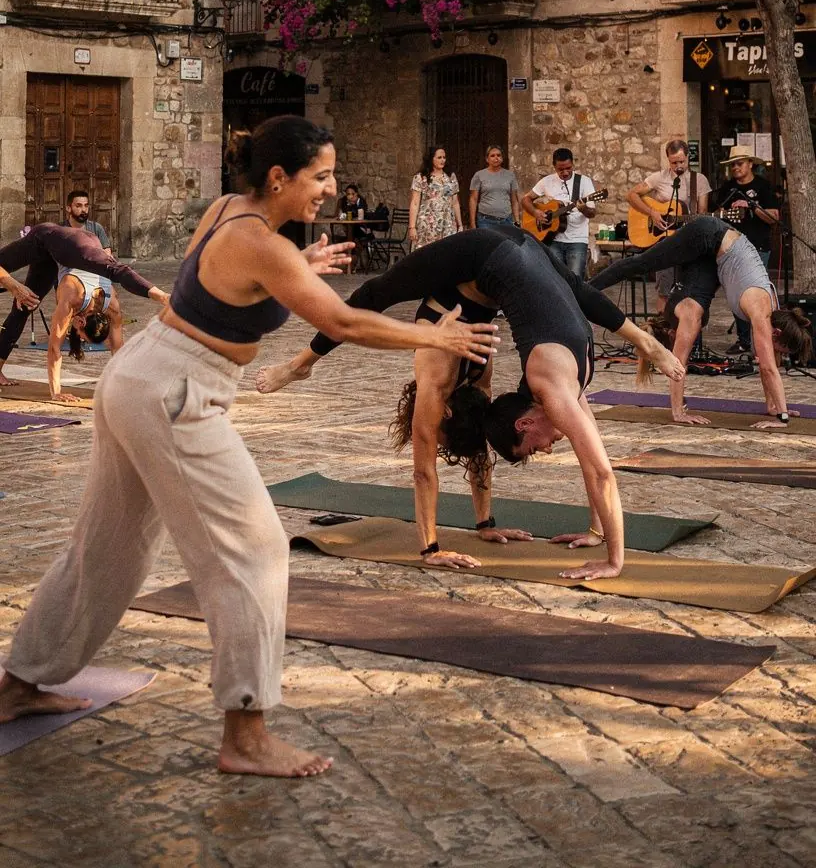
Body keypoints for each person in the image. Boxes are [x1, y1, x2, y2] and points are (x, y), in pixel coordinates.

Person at [0, 117, 499, 779]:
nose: (328, 187)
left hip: (144, 377)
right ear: (278, 178)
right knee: (254, 549)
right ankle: (246, 732)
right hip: (177, 394)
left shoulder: (233, 212)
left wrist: (300, 268)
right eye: (319, 175)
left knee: (108, 545)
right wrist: (435, 339)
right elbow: (343, 320)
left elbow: (209, 279)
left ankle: (18, 685)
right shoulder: (263, 242)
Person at [257, 226, 684, 578]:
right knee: (377, 295)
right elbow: (442, 465)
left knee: (378, 294)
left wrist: (461, 535)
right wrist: (452, 539)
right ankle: (301, 363)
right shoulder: (465, 381)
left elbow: (430, 470)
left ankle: (300, 363)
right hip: (499, 261)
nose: (435, 445)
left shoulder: (440, 381)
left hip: (484, 252)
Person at [591, 215, 812, 429]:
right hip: (707, 234)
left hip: (714, 252)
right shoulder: (757, 311)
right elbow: (767, 367)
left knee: (697, 310)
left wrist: (774, 406)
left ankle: (773, 405)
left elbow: (770, 363)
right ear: (776, 332)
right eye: (779, 347)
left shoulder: (773, 314)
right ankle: (583, 289)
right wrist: (782, 416)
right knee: (641, 263)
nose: (776, 353)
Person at [0, 194, 112, 389]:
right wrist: (14, 286)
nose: (83, 209)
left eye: (86, 205)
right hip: (58, 273)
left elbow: (107, 260)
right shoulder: (53, 234)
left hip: (69, 280)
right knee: (23, 303)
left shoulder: (96, 230)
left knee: (23, 309)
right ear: (69, 208)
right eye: (78, 205)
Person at [710, 146, 780, 354]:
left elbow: (774, 216)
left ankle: (762, 341)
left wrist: (751, 205)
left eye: (740, 163)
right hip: (733, 250)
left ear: (750, 164)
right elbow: (718, 215)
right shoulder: (727, 188)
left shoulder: (762, 187)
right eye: (732, 165)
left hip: (758, 247)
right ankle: (744, 340)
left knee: (758, 294)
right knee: (736, 294)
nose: (736, 168)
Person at [627, 139, 711, 306]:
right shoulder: (659, 178)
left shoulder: (699, 180)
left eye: (682, 161)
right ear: (668, 160)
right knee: (664, 291)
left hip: (689, 242)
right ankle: (663, 328)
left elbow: (702, 213)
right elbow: (631, 195)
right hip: (665, 242)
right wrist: (652, 212)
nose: (678, 166)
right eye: (674, 162)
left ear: (687, 157)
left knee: (689, 291)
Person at [45, 265, 124, 407]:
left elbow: (118, 348)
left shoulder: (112, 306)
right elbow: (54, 349)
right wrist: (56, 392)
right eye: (80, 334)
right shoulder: (71, 301)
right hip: (63, 246)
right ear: (81, 321)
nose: (78, 337)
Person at [520, 147, 597, 279]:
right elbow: (525, 200)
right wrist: (536, 213)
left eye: (568, 168)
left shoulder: (584, 182)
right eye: (560, 169)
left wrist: (583, 208)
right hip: (552, 240)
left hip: (577, 240)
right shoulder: (547, 181)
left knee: (575, 281)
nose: (565, 172)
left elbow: (592, 213)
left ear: (573, 163)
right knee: (554, 280)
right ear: (554, 167)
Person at [409, 146, 462, 247]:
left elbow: (455, 202)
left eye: (444, 157)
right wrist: (412, 227)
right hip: (428, 224)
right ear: (431, 159)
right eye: (439, 157)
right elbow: (415, 203)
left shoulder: (450, 177)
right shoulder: (421, 177)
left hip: (447, 224)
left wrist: (459, 224)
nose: (442, 160)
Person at [469, 146, 520, 230]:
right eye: (492, 156)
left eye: (498, 155)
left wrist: (517, 221)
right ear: (487, 159)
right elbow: (473, 199)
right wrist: (472, 223)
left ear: (502, 158)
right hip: (486, 221)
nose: (496, 158)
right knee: (488, 243)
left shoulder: (510, 175)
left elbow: (514, 200)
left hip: (506, 220)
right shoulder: (479, 175)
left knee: (506, 243)